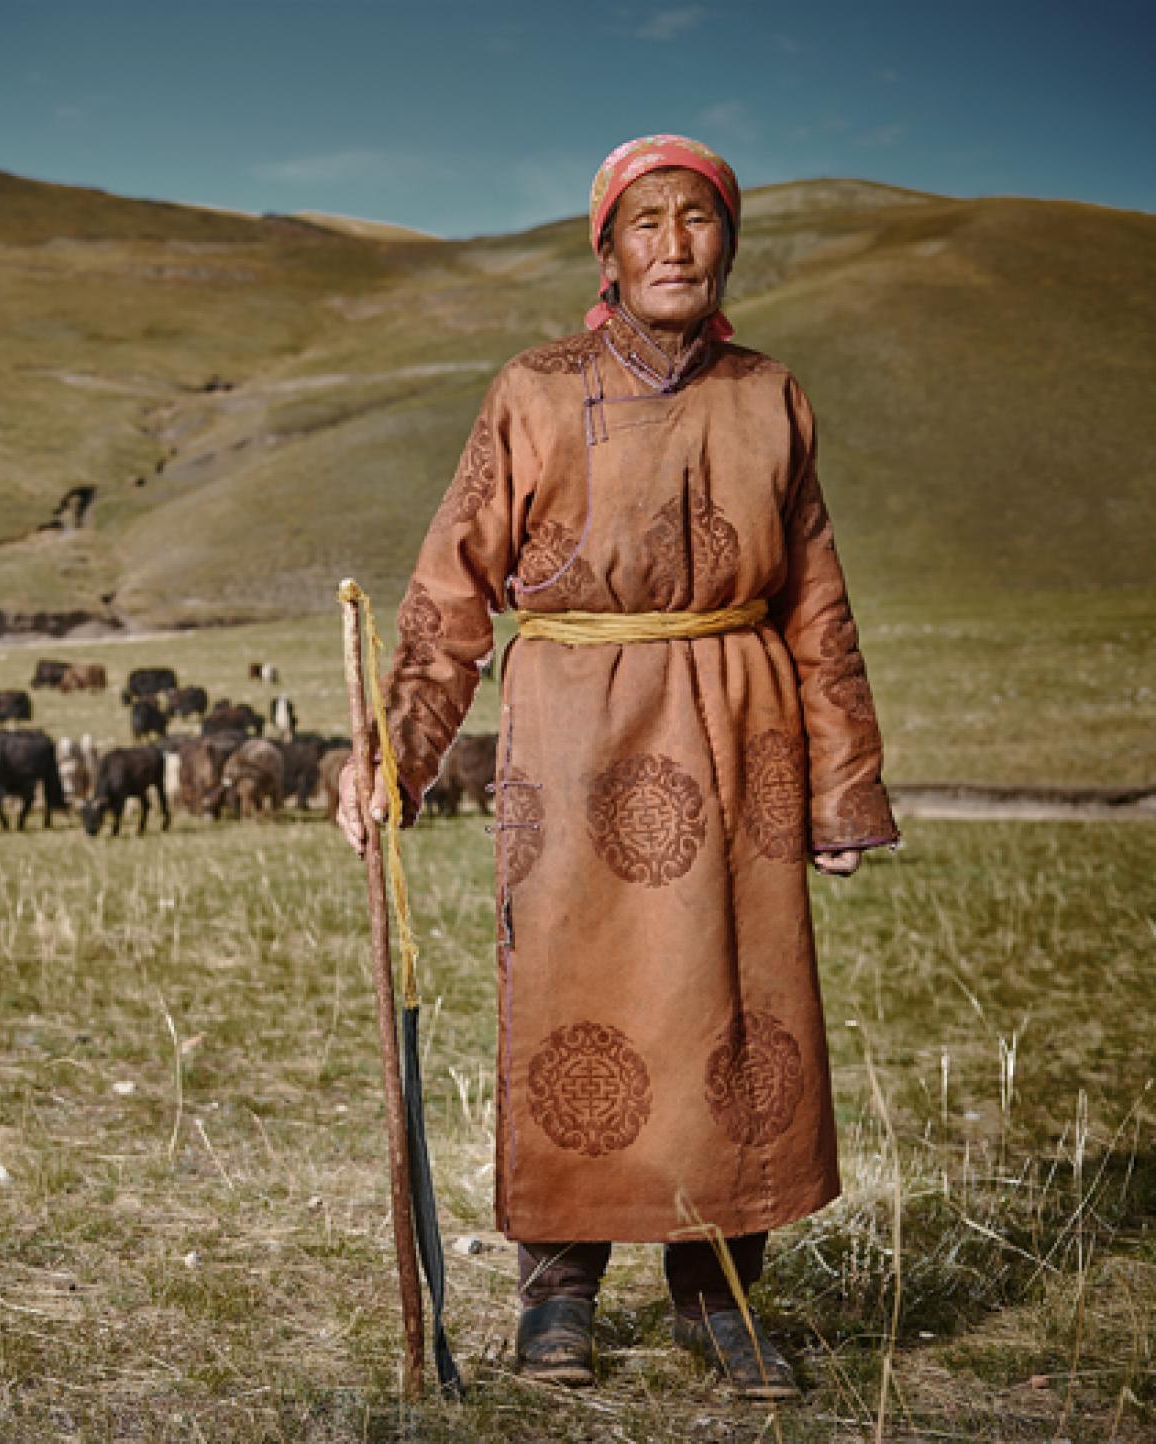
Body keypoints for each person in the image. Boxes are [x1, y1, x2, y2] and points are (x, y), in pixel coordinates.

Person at [338, 134, 897, 1400]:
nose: (674, 244)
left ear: (727, 242)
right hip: (575, 731)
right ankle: (558, 1296)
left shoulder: (771, 395)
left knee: (736, 1010)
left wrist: (843, 782)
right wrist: (397, 753)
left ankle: (724, 1292)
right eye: (645, 223)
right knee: (572, 1000)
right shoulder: (533, 391)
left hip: (740, 723)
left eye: (697, 220)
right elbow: (447, 593)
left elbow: (818, 603)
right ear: (606, 250)